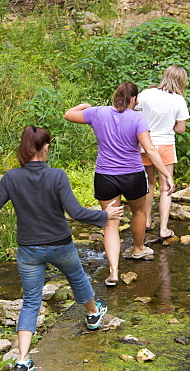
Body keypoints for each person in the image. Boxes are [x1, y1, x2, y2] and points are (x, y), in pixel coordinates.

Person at [0, 126, 124, 371]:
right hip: (60, 245)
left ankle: (22, 361)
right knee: (77, 278)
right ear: (45, 148)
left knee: (32, 301)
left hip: (28, 250)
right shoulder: (57, 176)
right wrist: (105, 215)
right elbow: (76, 213)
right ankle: (93, 314)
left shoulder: (11, 177)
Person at [64, 83, 172, 287]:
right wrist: (166, 174)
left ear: (115, 97)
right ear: (134, 100)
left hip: (105, 175)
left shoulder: (98, 113)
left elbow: (69, 114)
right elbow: (149, 149)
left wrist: (84, 105)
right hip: (132, 175)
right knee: (139, 213)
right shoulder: (137, 118)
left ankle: (113, 272)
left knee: (111, 222)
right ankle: (139, 249)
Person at [136, 65, 190, 242]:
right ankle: (164, 229)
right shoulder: (178, 100)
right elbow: (181, 129)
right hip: (165, 145)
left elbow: (135, 117)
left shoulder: (145, 94)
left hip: (146, 144)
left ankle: (146, 220)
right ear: (182, 81)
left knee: (149, 184)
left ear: (164, 76)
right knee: (166, 186)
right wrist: (170, 125)